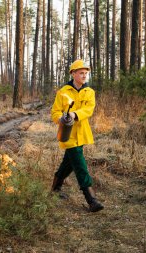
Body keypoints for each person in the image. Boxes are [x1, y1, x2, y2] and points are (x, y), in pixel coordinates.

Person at [51, 59, 104, 213]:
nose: (84, 75)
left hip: (82, 133)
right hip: (68, 134)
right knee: (80, 164)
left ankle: (55, 187)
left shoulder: (90, 92)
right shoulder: (63, 92)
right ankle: (91, 199)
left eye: (86, 73)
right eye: (81, 73)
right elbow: (55, 112)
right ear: (73, 74)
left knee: (69, 162)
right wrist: (60, 117)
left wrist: (74, 114)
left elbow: (89, 110)